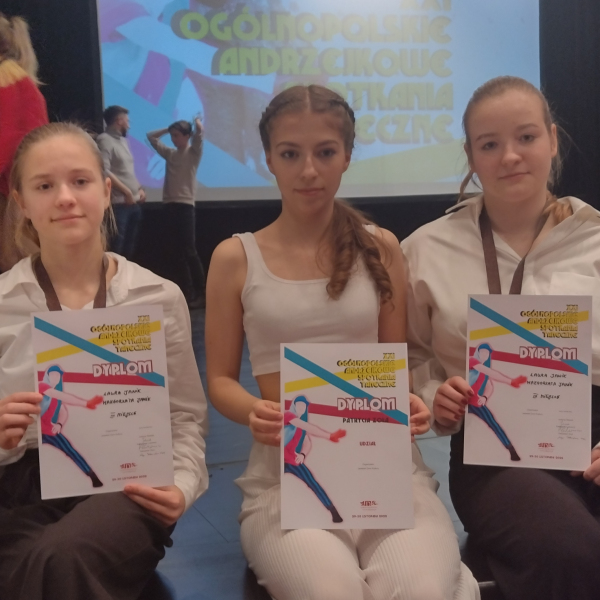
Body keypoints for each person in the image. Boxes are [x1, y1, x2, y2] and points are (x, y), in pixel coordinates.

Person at [206, 84, 479, 600]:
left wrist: (411, 402)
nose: (309, 170)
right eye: (291, 154)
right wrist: (253, 411)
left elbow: (395, 368)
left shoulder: (383, 248)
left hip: (385, 467)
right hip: (285, 476)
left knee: (420, 590)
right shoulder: (235, 258)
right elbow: (220, 379)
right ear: (268, 159)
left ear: (347, 156)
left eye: (326, 152)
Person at [403, 75, 600, 600]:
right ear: (471, 156)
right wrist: (434, 396)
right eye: (489, 144)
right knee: (573, 551)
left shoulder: (596, 239)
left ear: (552, 139)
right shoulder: (425, 249)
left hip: (594, 437)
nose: (510, 156)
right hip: (494, 451)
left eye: (526, 137)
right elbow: (408, 355)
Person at [0, 122, 208, 600]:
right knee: (40, 567)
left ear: (107, 190)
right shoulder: (3, 302)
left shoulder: (156, 295)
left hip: (126, 484)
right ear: (21, 202)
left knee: (59, 559)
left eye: (80, 181)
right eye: (44, 186)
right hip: (19, 489)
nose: (65, 198)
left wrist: (181, 485)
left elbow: (185, 418)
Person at [0, 13, 48, 272]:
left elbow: (9, 142)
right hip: (15, 192)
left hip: (11, 195)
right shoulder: (17, 80)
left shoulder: (9, 83)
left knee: (18, 267)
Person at [147, 119, 206, 309]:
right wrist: (168, 128)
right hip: (169, 205)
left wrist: (197, 123)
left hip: (185, 206)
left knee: (190, 250)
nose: (173, 139)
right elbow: (151, 137)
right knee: (177, 252)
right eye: (172, 136)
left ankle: (203, 292)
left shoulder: (193, 153)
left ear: (187, 136)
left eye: (177, 135)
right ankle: (187, 292)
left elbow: (199, 135)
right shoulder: (170, 154)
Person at [283, 395, 346, 523]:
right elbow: (309, 428)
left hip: (291, 459)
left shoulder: (300, 426)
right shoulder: (288, 416)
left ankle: (333, 511)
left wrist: (302, 455)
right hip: (278, 459)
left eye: (304, 406)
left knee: (312, 482)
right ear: (294, 405)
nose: (302, 408)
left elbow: (307, 442)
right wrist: (329, 436)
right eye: (299, 405)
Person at [39, 365, 104, 487]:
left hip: (49, 431)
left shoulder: (56, 395)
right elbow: (62, 396)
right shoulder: (42, 387)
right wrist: (86, 403)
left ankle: (92, 476)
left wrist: (59, 424)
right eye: (53, 374)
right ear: (47, 376)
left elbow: (63, 411)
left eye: (58, 375)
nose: (56, 377)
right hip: (35, 432)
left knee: (70, 450)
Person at [97, 105, 145, 260]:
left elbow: (127, 170)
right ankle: (112, 274)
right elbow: (104, 170)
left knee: (130, 248)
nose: (129, 125)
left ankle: (125, 274)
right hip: (119, 204)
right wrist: (126, 191)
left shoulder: (124, 141)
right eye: (127, 121)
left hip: (133, 202)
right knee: (117, 247)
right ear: (119, 121)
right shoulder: (104, 140)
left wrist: (139, 188)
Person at [467, 343, 527, 461]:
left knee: (493, 423)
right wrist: (510, 381)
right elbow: (491, 373)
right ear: (478, 352)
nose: (485, 354)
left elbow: (489, 386)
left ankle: (511, 450)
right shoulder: (472, 361)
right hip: (463, 400)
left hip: (475, 402)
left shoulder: (484, 370)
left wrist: (484, 397)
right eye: (482, 351)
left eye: (487, 353)